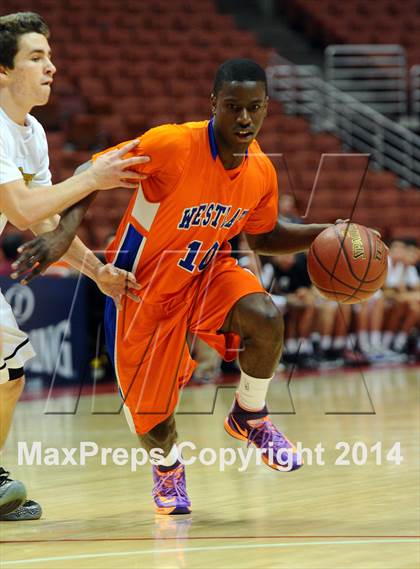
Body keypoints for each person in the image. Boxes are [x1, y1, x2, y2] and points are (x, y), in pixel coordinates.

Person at [16, 58, 354, 516]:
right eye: (232, 106)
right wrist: (60, 235)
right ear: (213, 103)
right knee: (152, 417)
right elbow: (93, 174)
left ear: (267, 108)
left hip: (206, 272)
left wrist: (324, 232)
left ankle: (250, 413)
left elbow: (265, 234)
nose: (244, 118)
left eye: (254, 107)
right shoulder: (172, 144)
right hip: (142, 285)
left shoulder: (261, 172)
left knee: (265, 315)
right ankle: (169, 468)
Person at [0, 11, 149, 520]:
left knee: (9, 371)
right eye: (36, 58)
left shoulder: (32, 131)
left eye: (50, 56)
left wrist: (99, 271)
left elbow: (47, 225)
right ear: (3, 70)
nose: (51, 67)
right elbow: (21, 210)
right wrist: (92, 177)